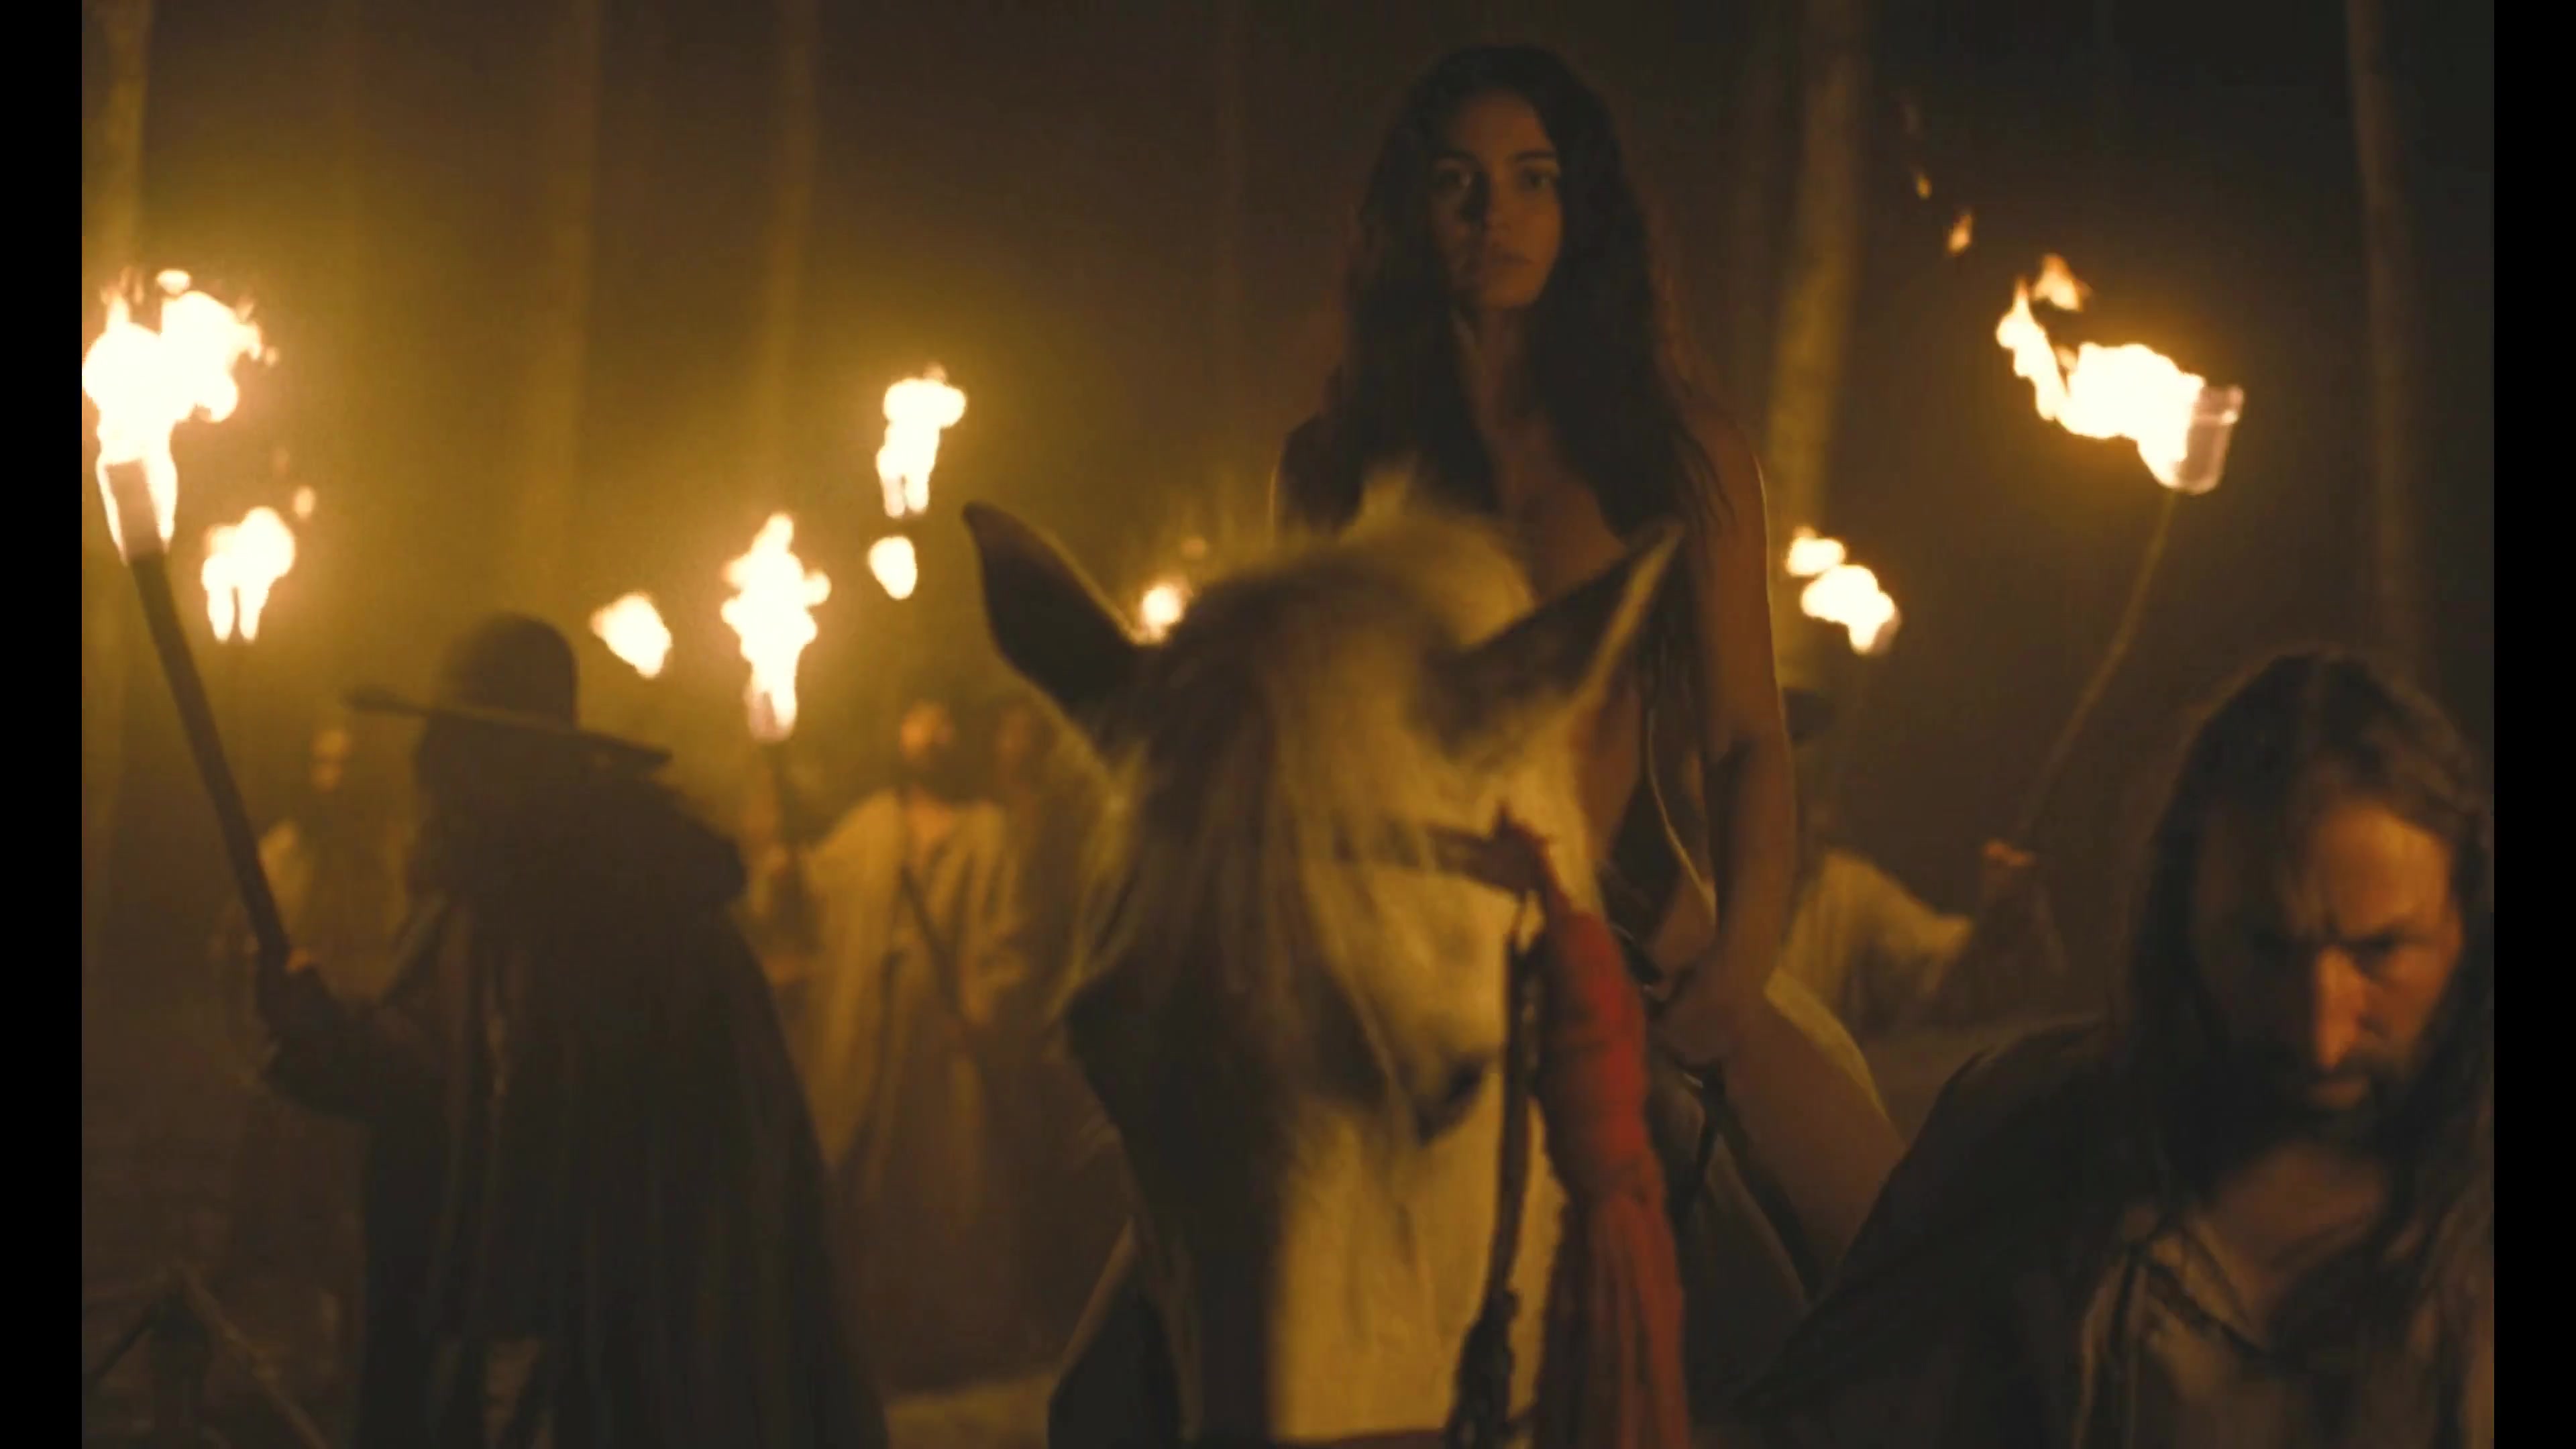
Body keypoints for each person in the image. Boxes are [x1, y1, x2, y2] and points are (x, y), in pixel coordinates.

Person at [1053, 46, 1898, 1441]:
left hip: (1641, 942)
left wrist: (1741, 965)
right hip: (1389, 955)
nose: (1493, 215)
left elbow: (1749, 737)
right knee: (1096, 1402)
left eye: (1530, 180)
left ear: (1580, 208)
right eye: (1457, 183)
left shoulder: (1680, 449)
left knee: (1895, 1276)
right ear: (1408, 212)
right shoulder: (1328, 465)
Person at [1743, 649, 2493, 1446]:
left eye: (2381, 952)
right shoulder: (2038, 1144)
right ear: (2185, 917)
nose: (2321, 1034)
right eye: (2264, 950)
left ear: (2466, 923)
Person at [253, 614, 882, 1449]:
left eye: (473, 754)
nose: (446, 781)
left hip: (636, 1327)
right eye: (446, 751)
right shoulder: (471, 910)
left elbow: (715, 1163)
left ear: (530, 768)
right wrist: (323, 1033)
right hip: (501, 1320)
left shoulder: (650, 919)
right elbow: (435, 1068)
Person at [761, 692, 1042, 1392]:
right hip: (871, 1048)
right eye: (920, 718)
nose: (933, 732)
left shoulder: (989, 834)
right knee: (871, 1191)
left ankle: (950, 1343)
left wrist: (981, 1011)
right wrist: (784, 874)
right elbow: (813, 901)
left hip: (943, 1057)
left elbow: (1015, 943)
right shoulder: (870, 826)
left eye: (945, 719)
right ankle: (873, 1342)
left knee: (944, 1192)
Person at [213, 716, 411, 1405]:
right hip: (294, 1081)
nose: (333, 780)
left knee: (359, 1227)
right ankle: (300, 1365)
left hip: (371, 1076)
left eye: (347, 765)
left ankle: (362, 1367)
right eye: (323, 763)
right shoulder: (281, 855)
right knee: (288, 1223)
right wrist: (247, 1049)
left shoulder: (400, 862)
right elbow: (233, 950)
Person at [1774, 686, 2069, 1042]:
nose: (1780, 764)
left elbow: (1946, 980)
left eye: (1790, 740)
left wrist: (2003, 926)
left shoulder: (1844, 892)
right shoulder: (1706, 895)